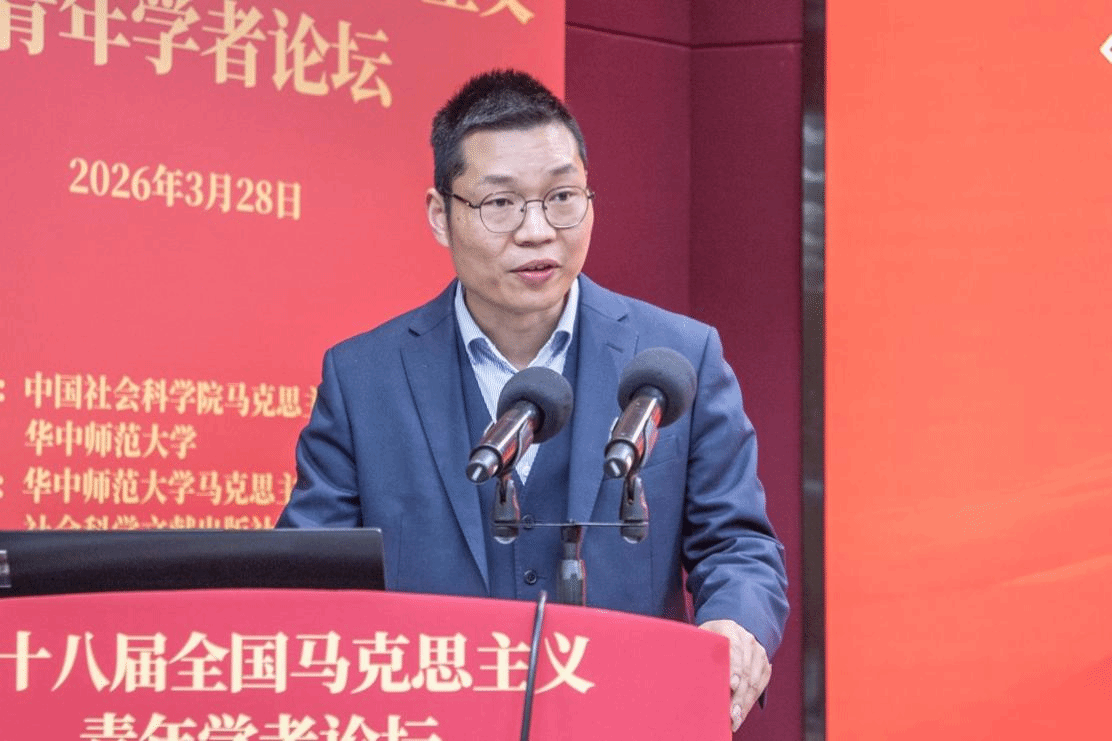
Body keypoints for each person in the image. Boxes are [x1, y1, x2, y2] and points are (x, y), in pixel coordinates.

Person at [277, 69, 788, 732]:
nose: (538, 230)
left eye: (562, 197)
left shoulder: (678, 357)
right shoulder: (363, 377)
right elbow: (309, 575)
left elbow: (737, 543)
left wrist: (735, 625)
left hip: (626, 717)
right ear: (440, 215)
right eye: (501, 203)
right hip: (432, 719)